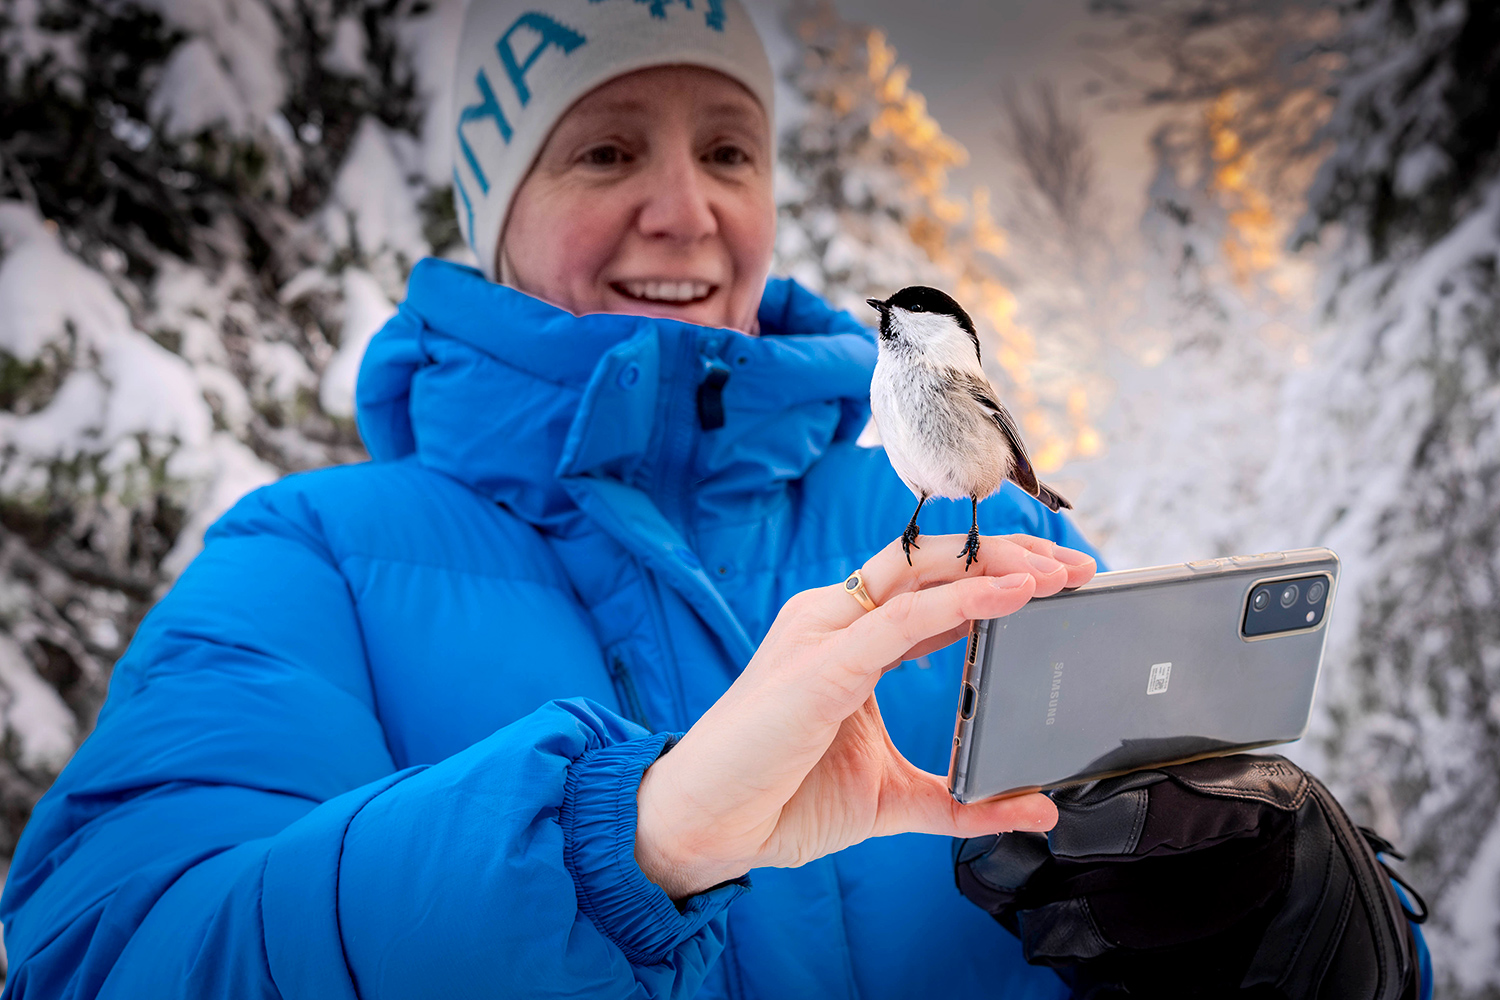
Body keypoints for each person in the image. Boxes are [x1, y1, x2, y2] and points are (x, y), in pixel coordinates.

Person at [0, 2, 1426, 998]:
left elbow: (1184, 887)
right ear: (495, 219)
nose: (686, 208)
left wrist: (1304, 928)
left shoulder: (999, 551)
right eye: (607, 149)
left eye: (729, 149)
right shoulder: (306, 563)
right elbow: (102, 957)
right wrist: (627, 843)